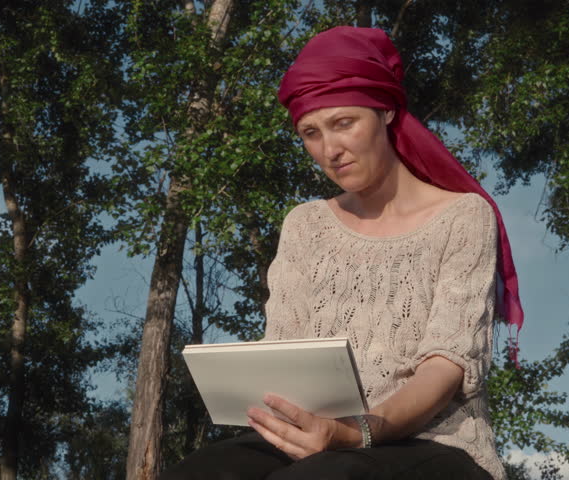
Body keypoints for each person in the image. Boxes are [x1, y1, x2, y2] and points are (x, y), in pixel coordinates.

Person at [159, 26, 523, 480]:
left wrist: (355, 432)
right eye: (311, 133)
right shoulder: (305, 225)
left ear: (386, 111)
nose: (330, 150)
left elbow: (445, 369)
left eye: (343, 123)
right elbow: (282, 355)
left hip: (432, 444)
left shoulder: (462, 217)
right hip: (315, 438)